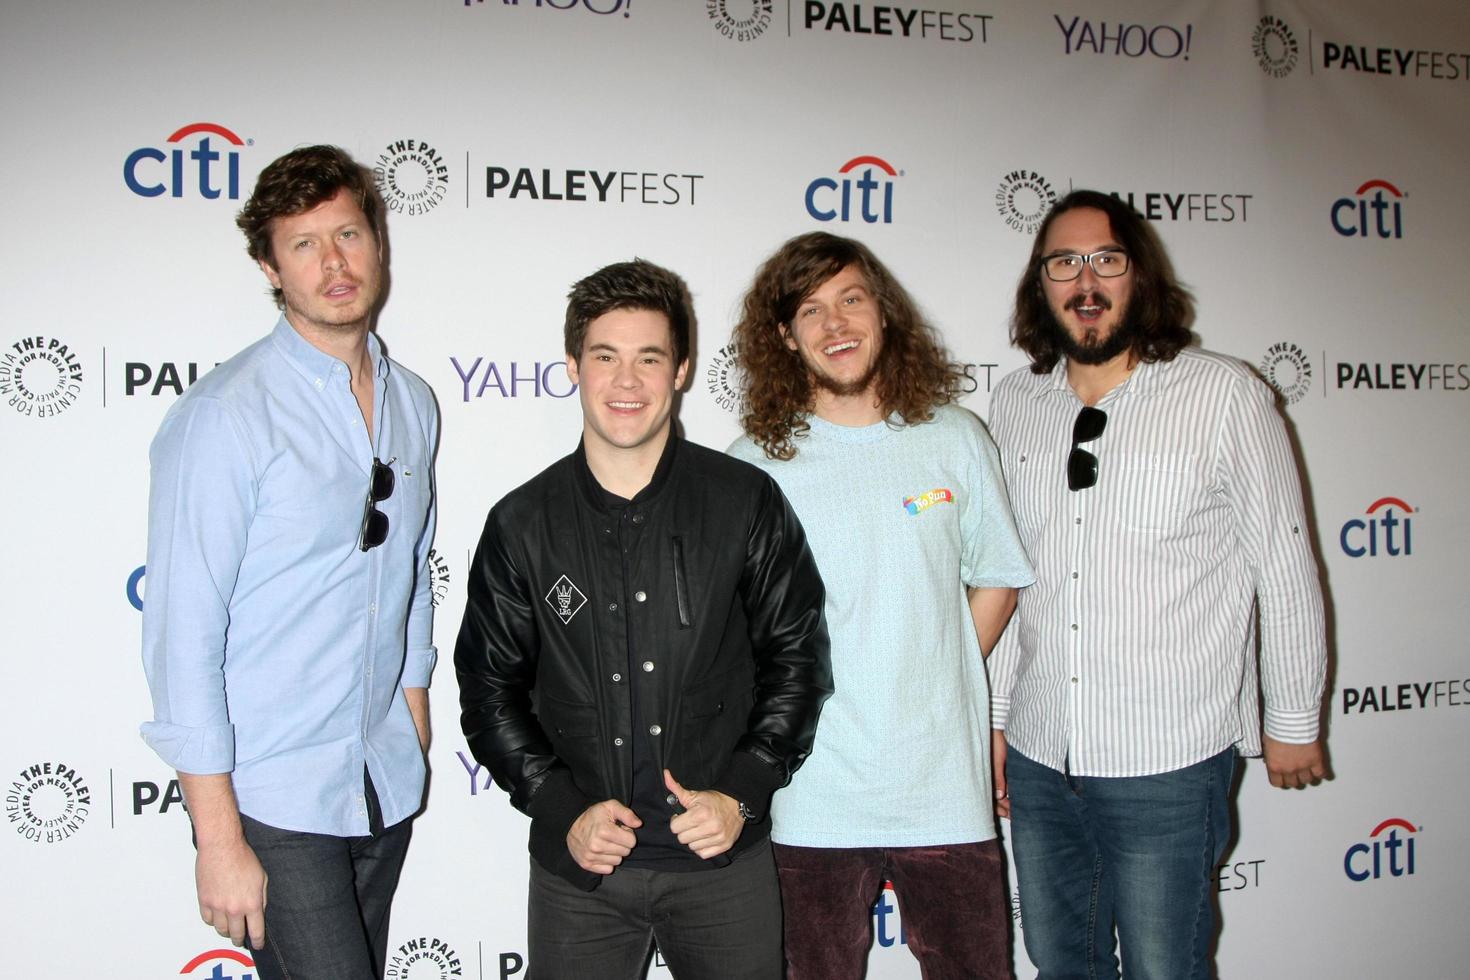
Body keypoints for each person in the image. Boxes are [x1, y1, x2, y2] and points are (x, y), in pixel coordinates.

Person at [454, 258, 832, 979]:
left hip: (723, 864)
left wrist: (742, 791)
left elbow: (798, 660)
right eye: (606, 357)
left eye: (648, 357)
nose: (626, 382)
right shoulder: (522, 523)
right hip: (580, 874)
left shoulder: (745, 501)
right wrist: (562, 807)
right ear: (573, 367)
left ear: (681, 370)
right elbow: (487, 688)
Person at [988, 189, 1328, 979]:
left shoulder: (1224, 395)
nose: (1086, 281)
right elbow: (1003, 575)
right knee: (1060, 962)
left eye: (1106, 259)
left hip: (1167, 759)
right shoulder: (1012, 403)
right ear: (1041, 285)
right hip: (1041, 755)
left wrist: (1294, 717)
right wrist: (998, 719)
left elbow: (1283, 564)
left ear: (1141, 275)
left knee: (1162, 967)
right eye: (1063, 263)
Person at [139, 145, 439, 979]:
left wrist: (411, 705)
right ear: (270, 268)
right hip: (274, 795)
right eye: (303, 245)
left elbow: (410, 566)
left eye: (348, 233)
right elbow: (183, 632)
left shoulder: (413, 401)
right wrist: (218, 836)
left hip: (381, 775)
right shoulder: (224, 417)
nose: (334, 262)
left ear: (378, 241)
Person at [728, 231, 1035, 980]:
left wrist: (937, 654)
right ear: (784, 336)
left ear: (884, 313)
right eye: (811, 310)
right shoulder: (753, 467)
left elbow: (998, 573)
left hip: (944, 787)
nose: (836, 325)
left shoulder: (954, 438)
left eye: (852, 300)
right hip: (809, 793)